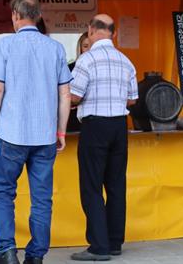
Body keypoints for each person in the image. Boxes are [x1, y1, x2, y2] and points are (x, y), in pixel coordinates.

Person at [0, 0, 72, 264]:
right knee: (42, 198)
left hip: (12, 135)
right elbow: (65, 94)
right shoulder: (55, 48)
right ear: (39, 16)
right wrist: (61, 132)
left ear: (15, 16)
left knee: (2, 192)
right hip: (44, 137)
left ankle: (7, 251)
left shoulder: (5, 46)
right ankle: (36, 256)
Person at [69, 14, 138, 261]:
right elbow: (132, 99)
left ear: (90, 31)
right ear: (113, 33)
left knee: (92, 186)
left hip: (95, 126)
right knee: (116, 185)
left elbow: (74, 97)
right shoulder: (126, 62)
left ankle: (98, 247)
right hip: (119, 126)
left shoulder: (86, 61)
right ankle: (114, 242)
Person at [67, 32, 91, 132]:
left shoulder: (101, 68)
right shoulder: (69, 67)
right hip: (72, 115)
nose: (89, 50)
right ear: (80, 48)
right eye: (85, 46)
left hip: (91, 116)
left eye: (92, 46)